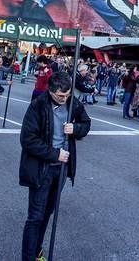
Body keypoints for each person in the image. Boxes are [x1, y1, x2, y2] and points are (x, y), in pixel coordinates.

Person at [19, 72, 91, 261]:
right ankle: (28, 257)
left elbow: (86, 123)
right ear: (50, 91)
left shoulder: (72, 102)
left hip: (61, 170)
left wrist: (75, 129)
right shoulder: (38, 105)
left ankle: (37, 251)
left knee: (47, 213)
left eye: (67, 95)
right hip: (41, 168)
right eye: (60, 95)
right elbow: (28, 140)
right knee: (35, 216)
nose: (64, 98)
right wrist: (55, 153)